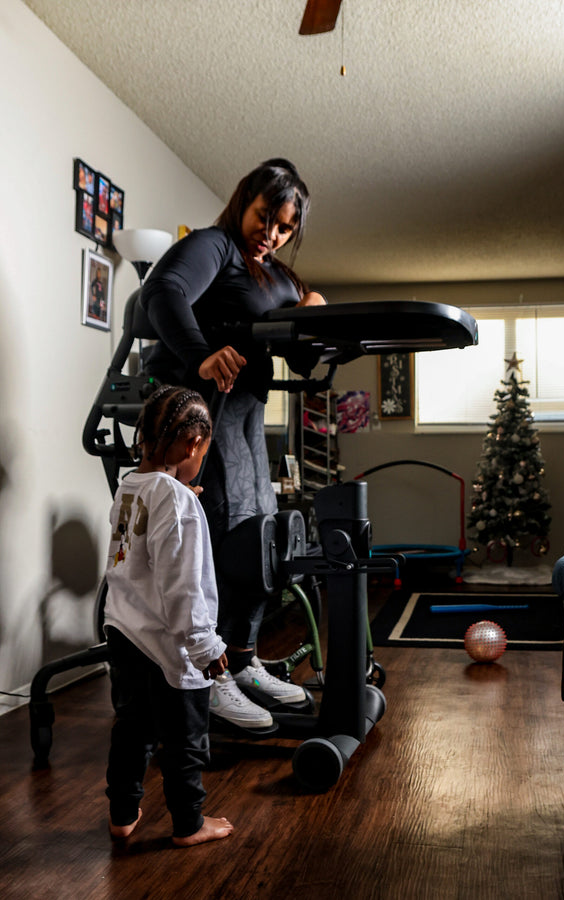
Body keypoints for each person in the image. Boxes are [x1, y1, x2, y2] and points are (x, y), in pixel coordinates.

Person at [140, 158, 326, 730]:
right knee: (219, 535)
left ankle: (242, 663)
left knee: (261, 541)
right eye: (265, 216)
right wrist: (200, 354)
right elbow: (163, 292)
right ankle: (210, 674)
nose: (271, 233)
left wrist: (312, 309)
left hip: (246, 412)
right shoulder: (214, 247)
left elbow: (302, 352)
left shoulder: (281, 280)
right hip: (200, 410)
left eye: (285, 226)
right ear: (244, 201)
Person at [103, 385, 234, 847]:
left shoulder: (131, 486)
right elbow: (183, 584)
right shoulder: (180, 502)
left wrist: (180, 497)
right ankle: (189, 824)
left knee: (132, 728)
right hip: (166, 642)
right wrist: (205, 645)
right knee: (185, 740)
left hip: (123, 629)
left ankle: (122, 813)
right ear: (194, 444)